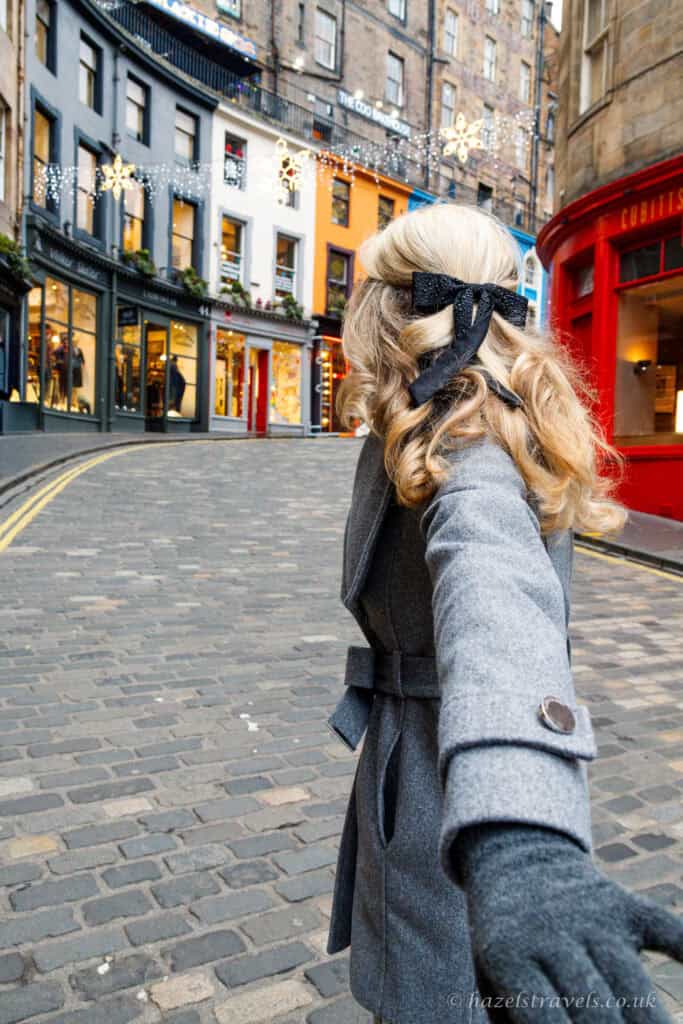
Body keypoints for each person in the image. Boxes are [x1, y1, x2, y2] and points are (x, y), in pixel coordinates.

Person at [325, 202, 683, 1024]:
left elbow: (496, 594)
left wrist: (519, 837)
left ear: (385, 314)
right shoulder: (458, 409)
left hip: (447, 803)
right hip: (417, 770)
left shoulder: (464, 438)